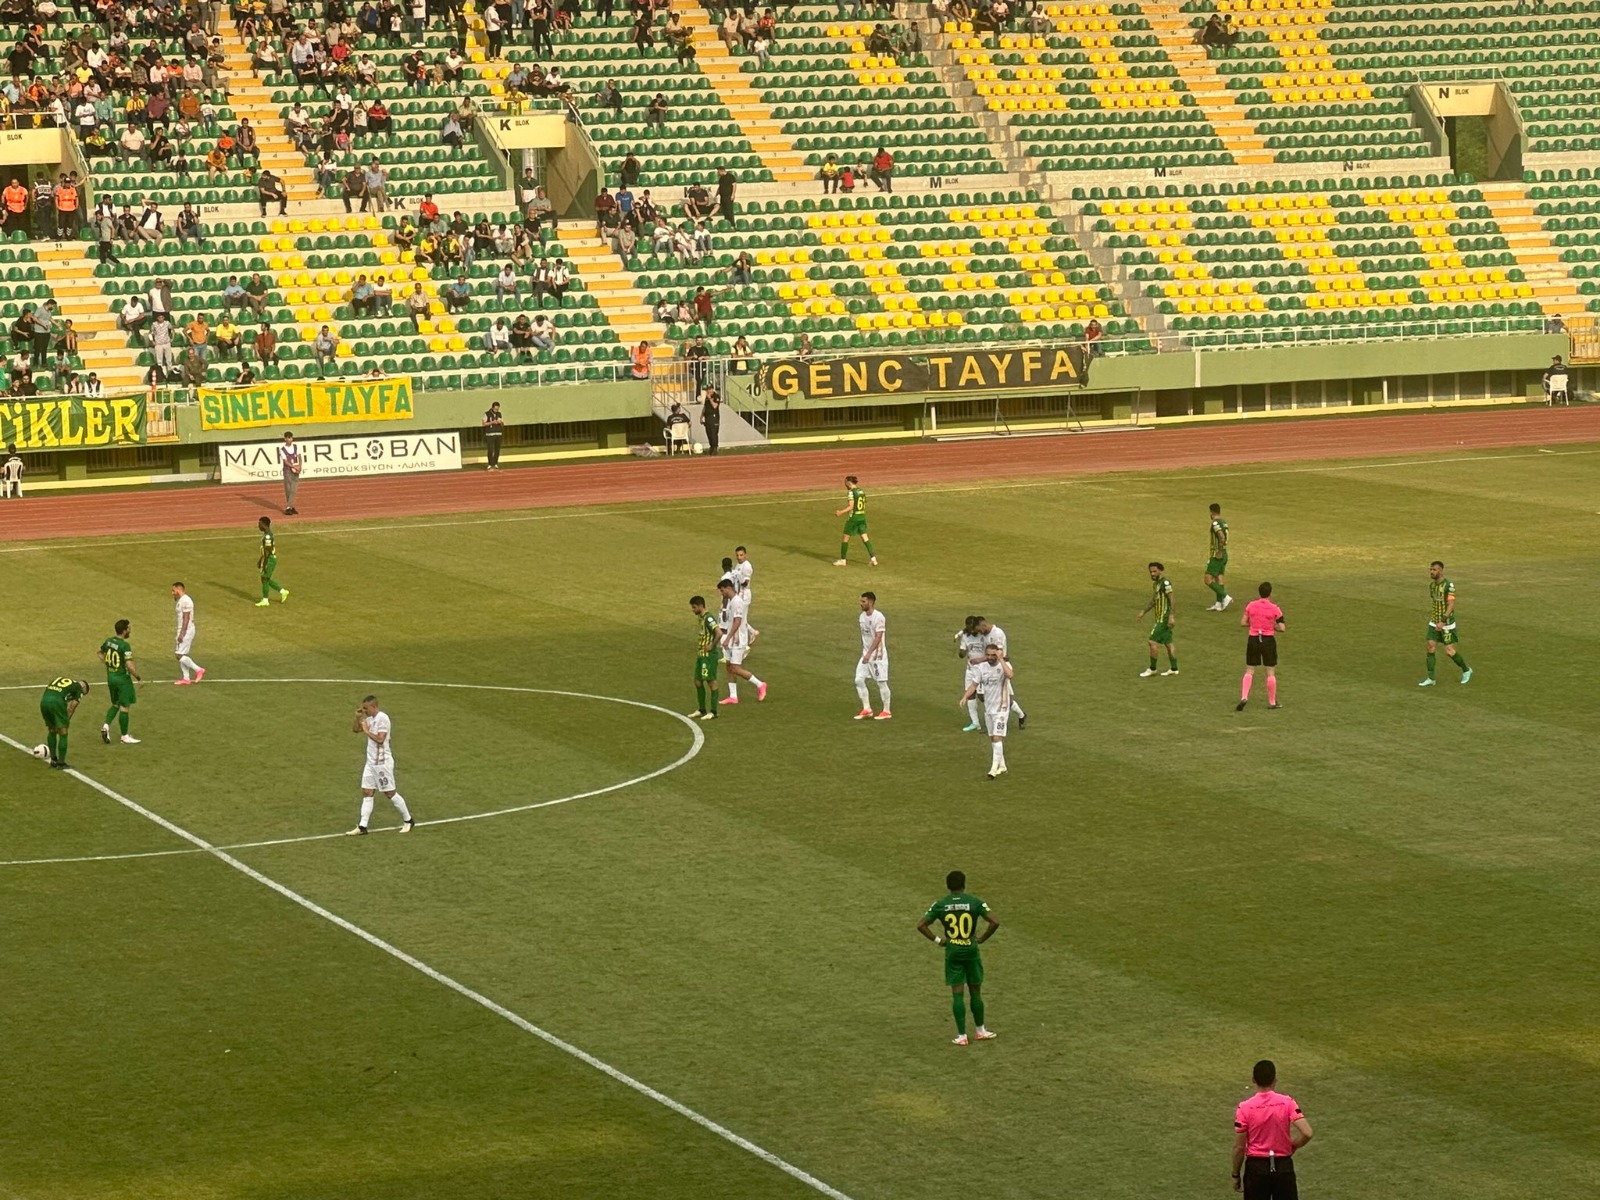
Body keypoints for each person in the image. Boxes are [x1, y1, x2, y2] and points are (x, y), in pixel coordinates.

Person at [915, 870, 999, 1045]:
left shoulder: (941, 904)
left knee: (957, 994)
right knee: (976, 991)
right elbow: (995, 922)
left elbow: (921, 925)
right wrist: (981, 938)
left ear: (948, 886)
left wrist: (939, 940)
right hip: (971, 950)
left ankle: (961, 1036)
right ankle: (980, 1030)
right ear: (964, 884)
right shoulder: (975, 902)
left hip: (953, 950)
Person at [1232, 1060, 1312, 1198]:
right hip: (1283, 1167)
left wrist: (1235, 1174)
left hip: (1256, 1169)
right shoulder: (1287, 1102)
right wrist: (1293, 1145)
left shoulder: (1244, 1108)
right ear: (1275, 1080)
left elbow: (1239, 1148)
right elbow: (1307, 1133)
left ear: (1253, 1080)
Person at [347, 694, 415, 835]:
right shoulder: (369, 719)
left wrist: (366, 730)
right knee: (367, 791)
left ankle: (408, 821)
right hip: (371, 763)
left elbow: (380, 739)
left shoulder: (382, 718)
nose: (364, 710)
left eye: (366, 708)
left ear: (374, 706)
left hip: (382, 763)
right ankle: (362, 826)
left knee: (389, 793)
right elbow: (355, 730)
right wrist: (357, 718)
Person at [959, 642, 1015, 778]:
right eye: (988, 655)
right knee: (993, 739)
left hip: (1001, 708)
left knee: (997, 737)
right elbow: (974, 684)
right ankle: (1002, 765)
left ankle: (993, 770)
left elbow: (1011, 675)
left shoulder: (1003, 666)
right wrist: (965, 696)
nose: (990, 657)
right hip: (989, 708)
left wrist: (1001, 659)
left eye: (993, 655)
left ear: (997, 654)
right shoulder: (981, 668)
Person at [716, 577, 767, 705]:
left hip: (737, 640)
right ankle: (733, 696)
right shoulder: (731, 601)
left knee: (735, 667)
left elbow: (737, 621)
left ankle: (760, 684)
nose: (722, 594)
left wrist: (728, 638)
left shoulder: (737, 602)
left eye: (722, 591)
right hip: (731, 638)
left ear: (728, 588)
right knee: (728, 666)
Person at [1238, 582, 1285, 712]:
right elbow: (1282, 628)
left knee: (1249, 670)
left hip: (1253, 638)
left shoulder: (1251, 605)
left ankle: (1244, 696)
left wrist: (1254, 625)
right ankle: (1272, 701)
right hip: (1268, 640)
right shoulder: (1275, 608)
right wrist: (1271, 627)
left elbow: (1243, 622)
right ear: (1270, 593)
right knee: (1270, 671)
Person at [1421, 559, 1470, 686]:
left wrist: (1442, 621)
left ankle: (1466, 670)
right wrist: (1436, 620)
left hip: (1446, 623)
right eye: (1430, 570)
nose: (1431, 572)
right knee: (1430, 646)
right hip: (1434, 622)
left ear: (1441, 571)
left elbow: (1451, 604)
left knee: (1449, 651)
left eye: (1434, 570)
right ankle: (1431, 678)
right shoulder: (1432, 586)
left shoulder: (1449, 586)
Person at [98, 618, 142, 745]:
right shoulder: (125, 646)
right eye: (128, 628)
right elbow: (129, 665)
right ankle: (124, 736)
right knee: (125, 706)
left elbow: (100, 653)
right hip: (123, 680)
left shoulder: (109, 641)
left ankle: (106, 726)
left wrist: (108, 664)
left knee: (116, 704)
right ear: (124, 631)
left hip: (111, 678)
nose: (130, 630)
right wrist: (138, 678)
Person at [38, 676, 90, 769]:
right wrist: (64, 722)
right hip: (57, 703)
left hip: (44, 702)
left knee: (51, 730)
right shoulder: (79, 689)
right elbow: (71, 708)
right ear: (84, 688)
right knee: (63, 733)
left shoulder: (63, 680)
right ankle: (61, 763)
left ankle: (53, 760)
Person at [854, 591, 891, 719]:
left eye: (863, 601)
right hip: (866, 655)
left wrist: (869, 653)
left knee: (881, 683)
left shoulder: (879, 617)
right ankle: (867, 709)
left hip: (877, 656)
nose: (861, 604)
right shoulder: (862, 617)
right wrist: (865, 653)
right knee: (858, 680)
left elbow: (878, 637)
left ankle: (886, 711)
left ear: (870, 602)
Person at [1137, 561, 1178, 677]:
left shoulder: (1165, 583)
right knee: (1168, 643)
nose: (1152, 574)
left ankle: (1152, 668)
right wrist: (1143, 611)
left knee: (1152, 641)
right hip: (1160, 617)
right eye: (1151, 572)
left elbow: (1172, 599)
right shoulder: (1156, 584)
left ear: (1161, 571)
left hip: (1163, 618)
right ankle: (1174, 668)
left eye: (1155, 571)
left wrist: (1171, 616)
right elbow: (1154, 600)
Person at [687, 595, 721, 720]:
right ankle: (701, 710)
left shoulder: (709, 618)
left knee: (711, 681)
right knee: (697, 681)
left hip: (709, 656)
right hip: (701, 654)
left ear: (701, 606)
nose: (693, 610)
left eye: (694, 607)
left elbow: (719, 632)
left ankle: (713, 711)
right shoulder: (701, 618)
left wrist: (712, 645)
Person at [833, 474, 877, 566]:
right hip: (862, 517)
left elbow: (851, 506)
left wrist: (840, 512)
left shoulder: (851, 492)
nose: (844, 485)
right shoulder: (861, 491)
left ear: (849, 483)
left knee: (845, 538)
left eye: (845, 483)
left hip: (854, 518)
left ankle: (843, 560)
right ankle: (873, 559)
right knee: (865, 537)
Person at [954, 615, 988, 732]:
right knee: (970, 695)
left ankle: (1007, 710)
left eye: (972, 628)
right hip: (970, 669)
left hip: (983, 670)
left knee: (983, 697)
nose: (971, 630)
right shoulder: (965, 636)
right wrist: (962, 652)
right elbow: (962, 654)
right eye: (968, 628)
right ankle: (975, 723)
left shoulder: (983, 635)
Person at [171, 581, 206, 685]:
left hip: (186, 629)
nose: (172, 593)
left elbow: (186, 618)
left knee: (179, 655)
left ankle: (198, 669)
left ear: (179, 589)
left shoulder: (186, 601)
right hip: (182, 629)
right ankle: (186, 678)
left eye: (173, 591)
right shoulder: (181, 600)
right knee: (182, 653)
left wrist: (182, 633)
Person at [256, 516, 289, 606]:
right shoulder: (267, 535)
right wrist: (260, 560)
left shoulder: (267, 537)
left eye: (259, 524)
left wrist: (265, 562)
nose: (258, 526)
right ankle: (283, 592)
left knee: (264, 578)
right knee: (265, 578)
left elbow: (268, 551)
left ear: (264, 524)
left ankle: (266, 600)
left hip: (269, 559)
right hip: (268, 559)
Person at [1205, 502, 1233, 610]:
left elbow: (1221, 536)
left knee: (1207, 579)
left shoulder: (1215, 523)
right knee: (1219, 578)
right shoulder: (1224, 522)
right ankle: (1219, 603)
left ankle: (1225, 596)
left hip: (1217, 555)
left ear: (1211, 512)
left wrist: (1219, 551)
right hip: (1224, 554)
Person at [278, 431, 301, 514]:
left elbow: (299, 457)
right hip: (287, 471)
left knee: (293, 489)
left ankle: (289, 507)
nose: (290, 439)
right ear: (285, 439)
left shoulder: (295, 447)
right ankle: (290, 507)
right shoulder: (282, 450)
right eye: (288, 438)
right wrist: (293, 467)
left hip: (296, 470)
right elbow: (285, 461)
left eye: (291, 438)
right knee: (288, 489)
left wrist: (299, 466)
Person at [482, 400, 503, 470]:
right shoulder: (486, 414)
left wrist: (500, 422)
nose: (496, 410)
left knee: (497, 449)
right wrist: (492, 422)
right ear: (492, 408)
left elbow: (503, 424)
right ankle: (490, 464)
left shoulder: (499, 414)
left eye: (498, 409)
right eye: (495, 409)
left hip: (498, 433)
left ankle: (495, 463)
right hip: (490, 434)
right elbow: (483, 424)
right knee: (490, 449)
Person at [700, 386, 721, 456]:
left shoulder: (716, 396)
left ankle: (715, 447)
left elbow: (715, 406)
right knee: (708, 432)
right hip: (707, 417)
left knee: (713, 433)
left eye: (709, 389)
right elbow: (705, 407)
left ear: (712, 389)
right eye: (707, 389)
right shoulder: (707, 398)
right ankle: (711, 446)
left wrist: (710, 399)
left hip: (713, 416)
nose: (708, 391)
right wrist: (701, 416)